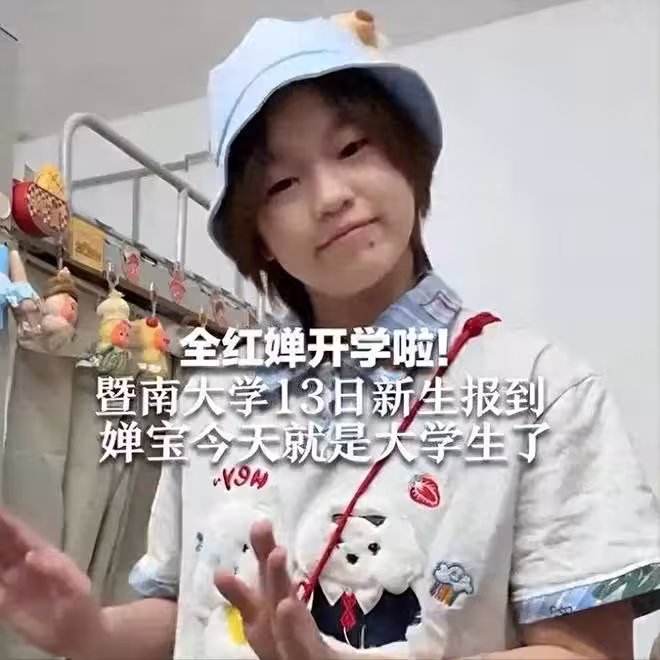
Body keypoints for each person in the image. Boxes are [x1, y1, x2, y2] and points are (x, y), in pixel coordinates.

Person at [1, 13, 659, 660]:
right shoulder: (213, 398)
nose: (330, 197)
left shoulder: (542, 388)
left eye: (351, 149)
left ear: (408, 160)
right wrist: (90, 633)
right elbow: (186, 610)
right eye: (283, 183)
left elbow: (587, 653)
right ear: (258, 234)